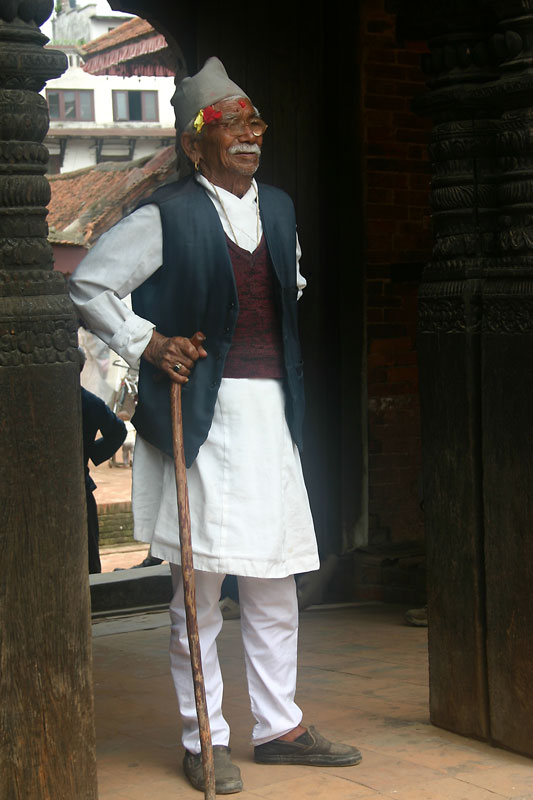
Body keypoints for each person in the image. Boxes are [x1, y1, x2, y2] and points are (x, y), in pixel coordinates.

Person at [69, 57, 361, 793]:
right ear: (194, 144)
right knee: (197, 590)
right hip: (199, 416)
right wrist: (149, 342)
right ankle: (205, 738)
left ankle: (280, 728)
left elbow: (289, 285)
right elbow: (91, 283)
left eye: (254, 122)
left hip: (270, 418)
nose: (248, 134)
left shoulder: (280, 210)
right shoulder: (165, 214)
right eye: (228, 124)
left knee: (273, 580)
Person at [79, 348, 127, 573]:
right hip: (80, 486)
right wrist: (93, 452)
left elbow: (119, 431)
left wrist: (92, 452)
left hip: (78, 486)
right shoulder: (90, 402)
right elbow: (118, 431)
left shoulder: (88, 402)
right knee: (88, 554)